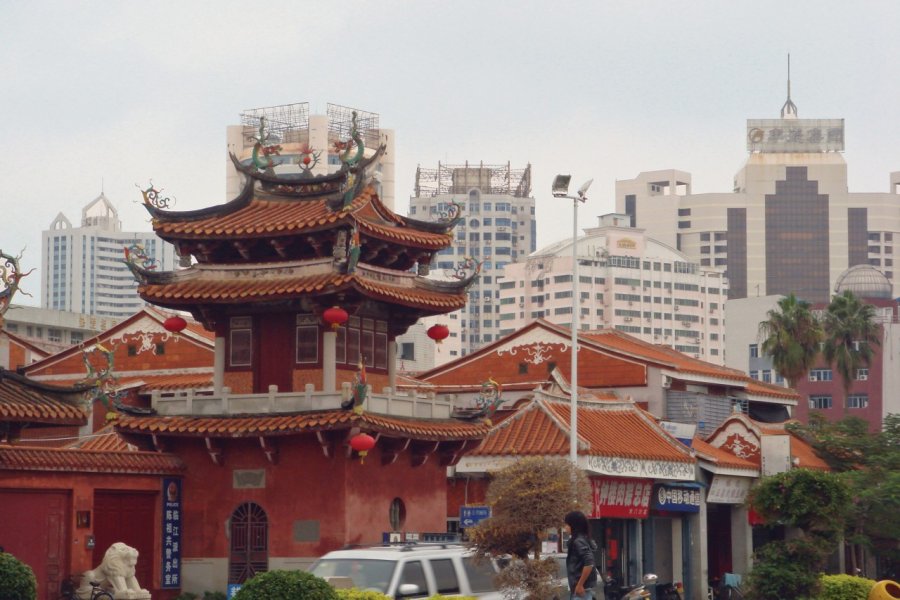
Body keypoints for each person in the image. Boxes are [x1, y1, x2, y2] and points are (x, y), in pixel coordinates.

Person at [565, 510, 598, 600]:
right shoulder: (582, 539)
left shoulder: (578, 541)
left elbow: (589, 562)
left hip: (581, 590)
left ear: (574, 525)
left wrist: (580, 585)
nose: (565, 528)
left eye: (567, 525)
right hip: (581, 590)